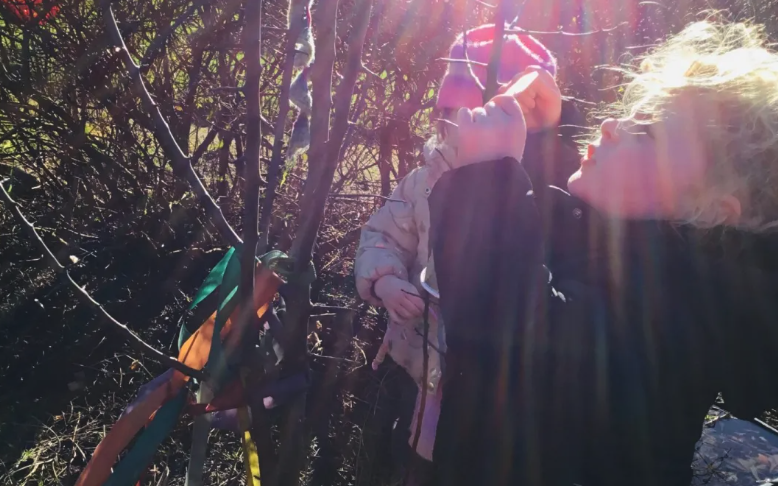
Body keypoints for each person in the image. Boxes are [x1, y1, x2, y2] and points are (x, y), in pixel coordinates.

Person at [425, 19, 778, 486]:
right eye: (633, 114)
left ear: (711, 209)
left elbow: (514, 336)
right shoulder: (643, 258)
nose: (613, 125)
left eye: (648, 132)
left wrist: (488, 180)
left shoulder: (672, 319)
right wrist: (546, 136)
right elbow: (567, 242)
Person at [353, 23, 583, 481]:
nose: (454, 131)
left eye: (471, 117)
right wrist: (385, 279)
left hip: (485, 383)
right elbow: (380, 235)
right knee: (408, 451)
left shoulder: (534, 196)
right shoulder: (424, 181)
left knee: (455, 459)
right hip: (416, 363)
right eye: (446, 117)